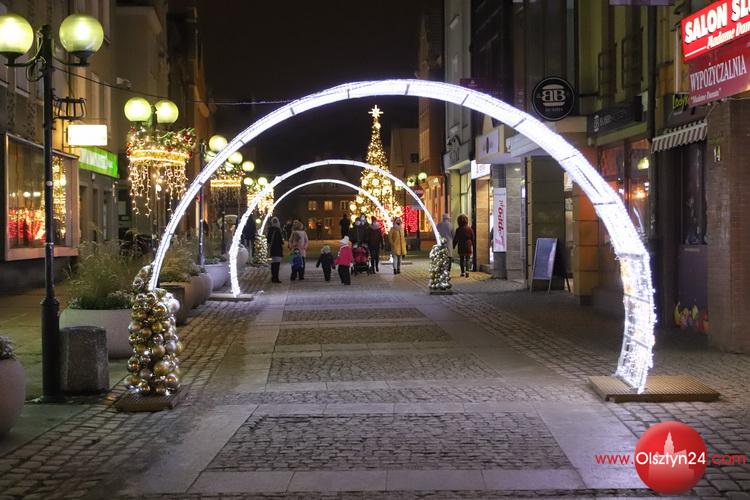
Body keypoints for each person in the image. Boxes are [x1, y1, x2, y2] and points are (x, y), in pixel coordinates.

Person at [267, 217, 284, 283]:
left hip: (272, 249)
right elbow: (280, 241)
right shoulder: (278, 230)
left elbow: (268, 240)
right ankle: (276, 278)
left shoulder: (270, 230)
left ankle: (273, 277)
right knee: (277, 264)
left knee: (273, 263)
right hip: (278, 249)